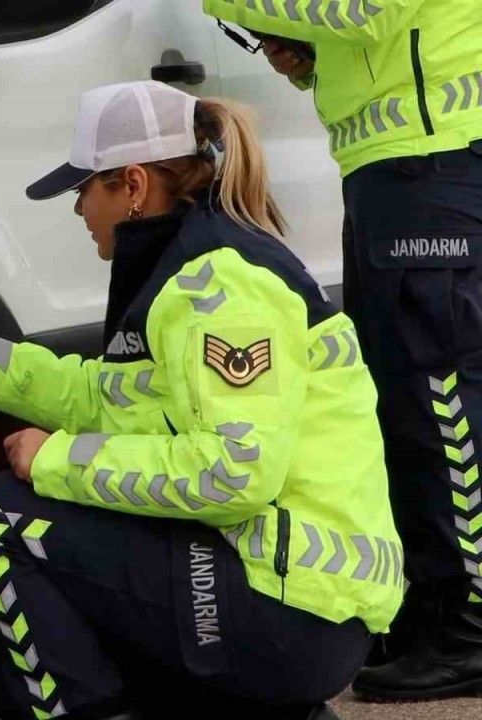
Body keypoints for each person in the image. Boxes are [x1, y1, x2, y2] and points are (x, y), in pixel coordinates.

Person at [0, 81, 403, 720]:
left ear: (132, 185)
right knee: (83, 568)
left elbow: (234, 473)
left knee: (1, 518)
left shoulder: (218, 288)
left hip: (292, 610)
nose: (78, 210)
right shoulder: (191, 267)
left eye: (83, 190)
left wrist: (56, 461)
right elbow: (103, 396)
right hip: (291, 595)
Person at [201, 0, 482, 700]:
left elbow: (364, 10)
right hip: (394, 166)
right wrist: (308, 57)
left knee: (441, 401)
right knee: (399, 406)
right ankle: (434, 609)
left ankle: (471, 627)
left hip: (436, 161)